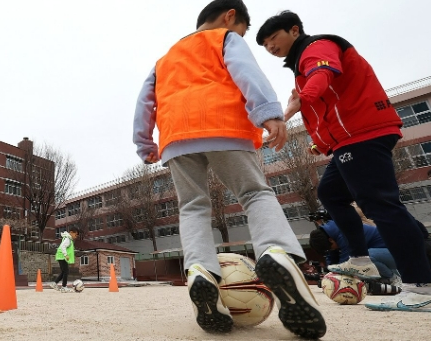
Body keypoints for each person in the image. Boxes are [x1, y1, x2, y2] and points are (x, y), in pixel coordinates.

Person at [132, 1, 326, 337]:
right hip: (224, 125)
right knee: (254, 193)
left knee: (192, 207)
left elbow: (144, 101)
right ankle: (276, 252)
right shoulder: (224, 38)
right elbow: (245, 70)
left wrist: (144, 144)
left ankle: (200, 272)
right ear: (230, 16)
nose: (242, 37)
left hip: (176, 137)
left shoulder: (165, 59)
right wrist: (268, 110)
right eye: (244, 32)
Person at [256, 10, 431, 311]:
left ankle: (421, 286)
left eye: (274, 38)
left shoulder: (317, 48)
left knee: (380, 205)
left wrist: (289, 110)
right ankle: (362, 261)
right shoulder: (302, 65)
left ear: (294, 31)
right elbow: (328, 106)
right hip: (350, 140)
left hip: (363, 135)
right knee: (331, 194)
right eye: (265, 44)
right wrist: (315, 138)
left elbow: (322, 78)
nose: (271, 46)